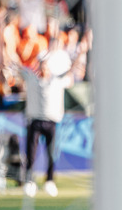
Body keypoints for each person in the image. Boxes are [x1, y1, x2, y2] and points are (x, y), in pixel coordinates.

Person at [14, 51, 80, 198]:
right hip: (35, 121)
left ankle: (49, 181)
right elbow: (16, 66)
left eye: (46, 67)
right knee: (31, 153)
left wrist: (82, 50)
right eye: (41, 66)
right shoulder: (31, 78)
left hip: (51, 121)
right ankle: (29, 181)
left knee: (51, 154)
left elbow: (71, 70)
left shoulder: (57, 80)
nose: (44, 70)